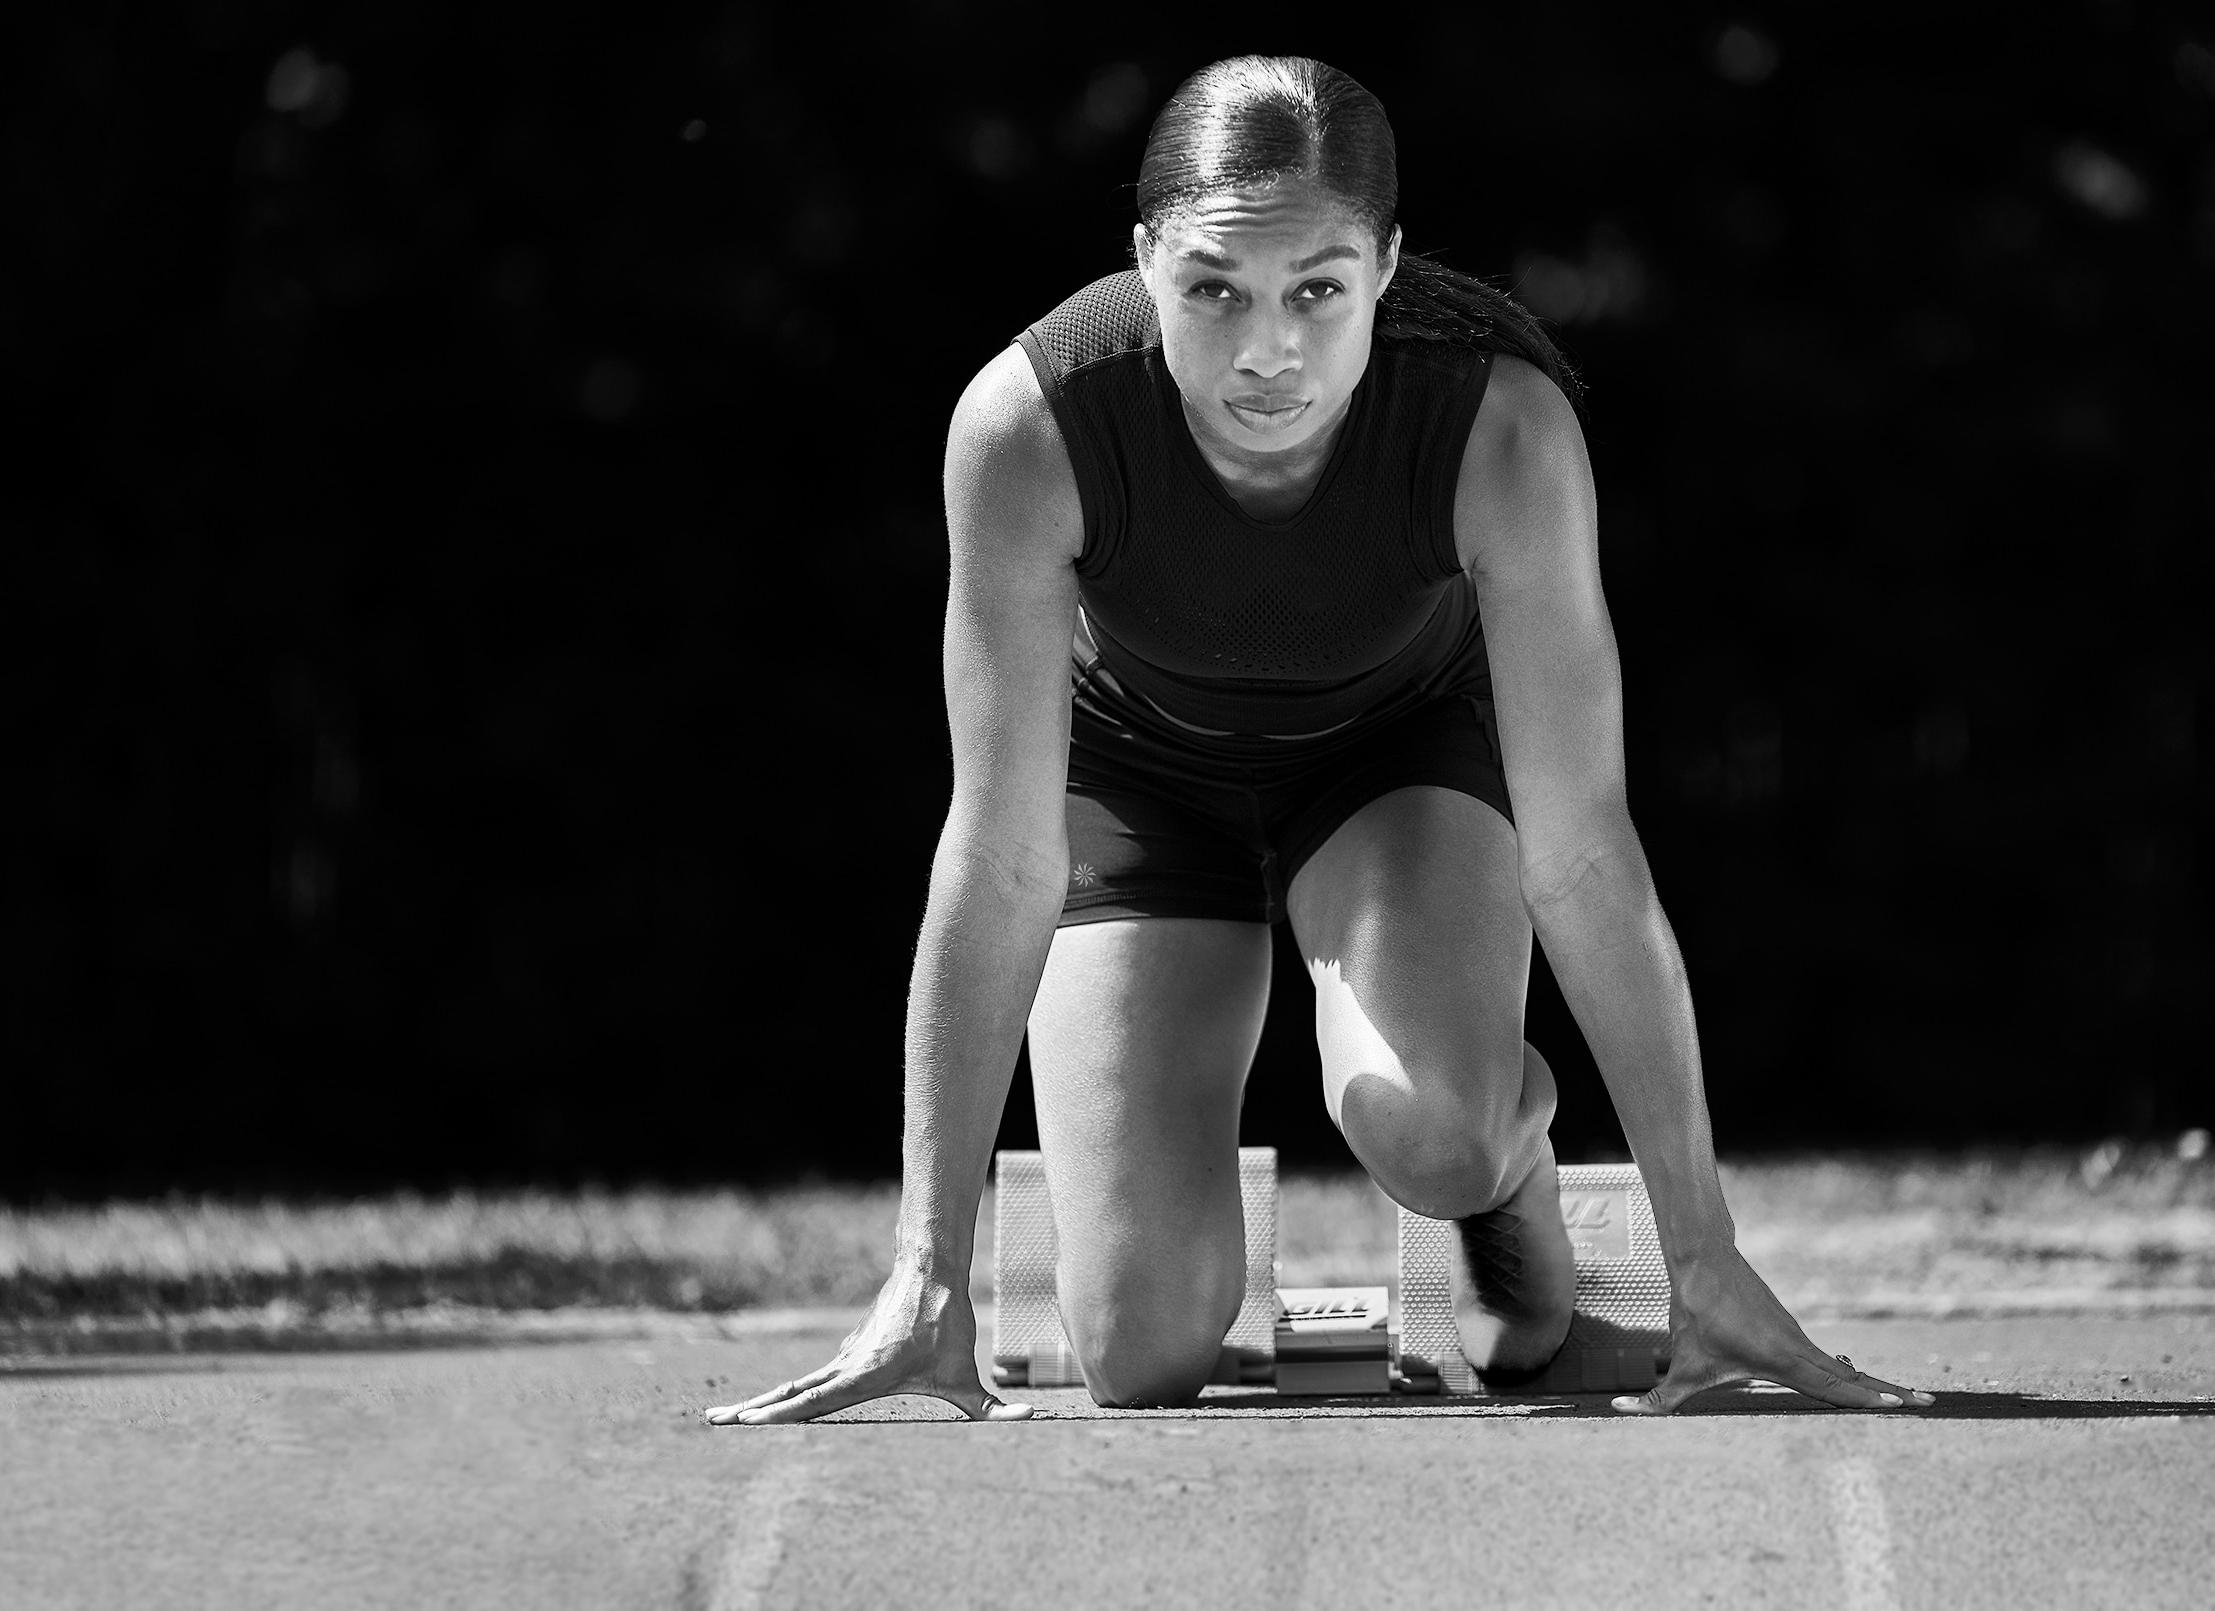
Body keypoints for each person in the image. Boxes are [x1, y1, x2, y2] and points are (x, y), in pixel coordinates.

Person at [708, 55, 1930, 1423]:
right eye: (1214, 289)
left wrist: (1701, 1256)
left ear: (1390, 269)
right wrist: (925, 1275)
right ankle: (1165, 1196)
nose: (1267, 350)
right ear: (1145, 261)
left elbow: (1584, 854)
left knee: (1435, 1128)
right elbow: (996, 856)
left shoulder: (1500, 426)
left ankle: (1498, 1183)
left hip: (1395, 761)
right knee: (1139, 1349)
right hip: (1135, 785)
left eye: (1319, 291)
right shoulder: (1027, 426)